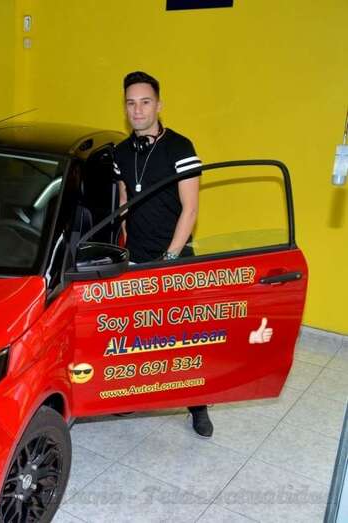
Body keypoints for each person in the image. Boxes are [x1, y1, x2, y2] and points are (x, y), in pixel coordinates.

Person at [113, 71, 212, 438]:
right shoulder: (122, 152)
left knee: (183, 335)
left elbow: (190, 209)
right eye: (131, 103)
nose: (137, 110)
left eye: (145, 102)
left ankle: (198, 405)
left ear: (159, 105)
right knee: (136, 331)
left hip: (173, 256)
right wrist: (122, 246)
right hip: (136, 256)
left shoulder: (180, 147)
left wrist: (169, 258)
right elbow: (124, 200)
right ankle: (134, 391)